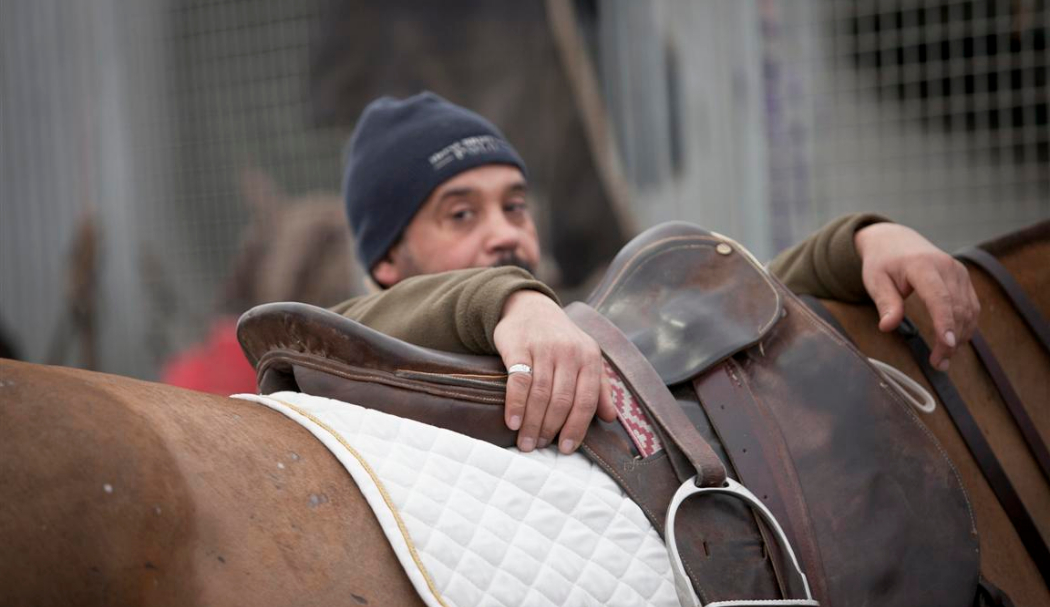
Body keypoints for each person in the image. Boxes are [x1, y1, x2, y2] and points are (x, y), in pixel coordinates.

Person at [330, 92, 979, 456]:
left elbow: (709, 317)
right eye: (461, 213)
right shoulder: (364, 342)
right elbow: (330, 326)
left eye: (515, 205)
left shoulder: (577, 323)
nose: (504, 231)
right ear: (387, 259)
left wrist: (860, 241)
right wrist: (510, 302)